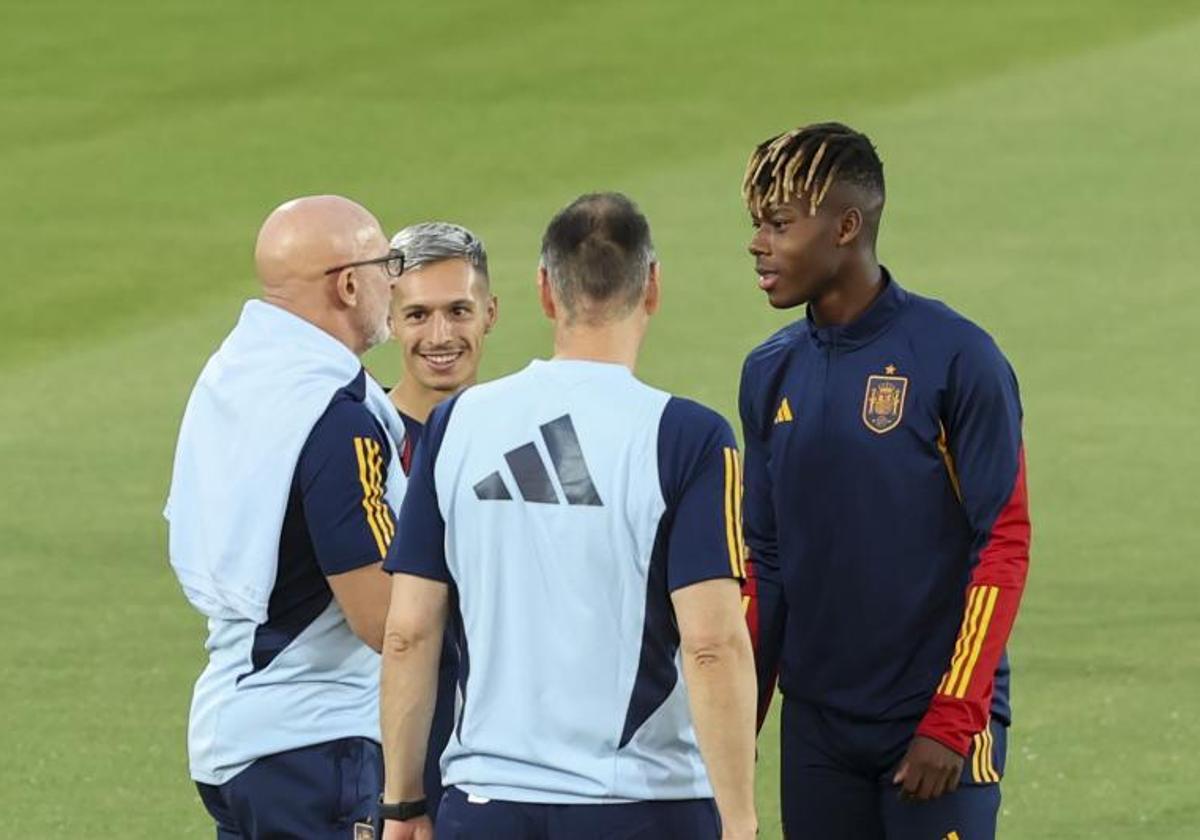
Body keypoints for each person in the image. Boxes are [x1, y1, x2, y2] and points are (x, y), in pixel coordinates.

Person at [376, 193, 758, 840]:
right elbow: (713, 644)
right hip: (644, 804)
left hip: (486, 802)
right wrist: (741, 822)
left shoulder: (456, 424)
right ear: (654, 286)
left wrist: (404, 804)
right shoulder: (689, 438)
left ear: (545, 291)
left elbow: (409, 631)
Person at [738, 122, 1032, 839]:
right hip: (818, 733)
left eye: (779, 224)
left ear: (846, 226)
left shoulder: (958, 360)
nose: (757, 244)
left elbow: (1002, 543)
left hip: (933, 720)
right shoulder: (768, 370)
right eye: (755, 225)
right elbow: (767, 565)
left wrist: (953, 718)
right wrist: (733, 718)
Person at [166, 195, 407, 838]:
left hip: (231, 728)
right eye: (389, 263)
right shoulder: (335, 415)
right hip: (317, 745)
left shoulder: (234, 377)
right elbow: (382, 619)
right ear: (350, 284)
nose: (396, 281)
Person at [384, 221, 499, 819]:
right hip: (385, 746)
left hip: (496, 755)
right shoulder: (359, 442)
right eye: (417, 315)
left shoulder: (517, 439)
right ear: (388, 320)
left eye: (458, 310)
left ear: (491, 313)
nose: (441, 335)